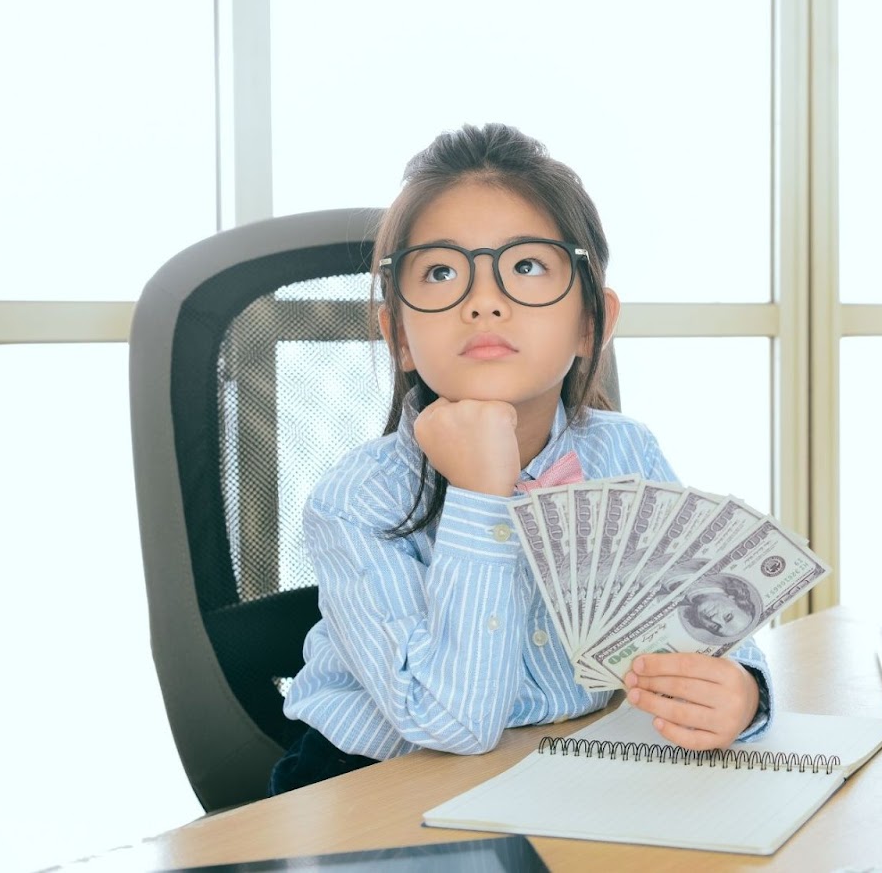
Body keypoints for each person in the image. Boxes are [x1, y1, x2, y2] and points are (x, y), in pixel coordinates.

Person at [271, 123, 771, 795]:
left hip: (568, 768)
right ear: (399, 335)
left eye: (528, 266)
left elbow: (708, 621)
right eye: (443, 272)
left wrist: (743, 694)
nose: (484, 301)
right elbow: (452, 724)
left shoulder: (626, 452)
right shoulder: (356, 501)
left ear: (591, 323)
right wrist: (482, 497)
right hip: (373, 783)